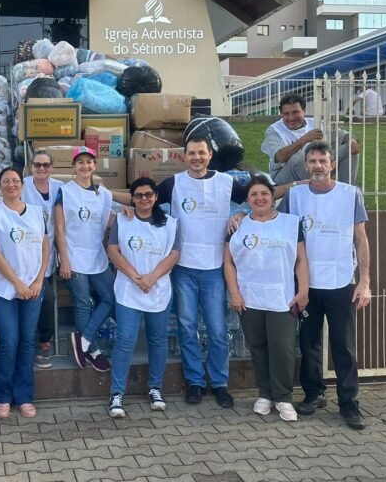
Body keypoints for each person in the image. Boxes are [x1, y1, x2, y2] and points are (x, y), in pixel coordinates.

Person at [278, 141, 372, 430]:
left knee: (343, 345)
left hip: (341, 280)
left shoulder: (349, 194)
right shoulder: (295, 196)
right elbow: (271, 219)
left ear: (332, 165)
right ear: (305, 165)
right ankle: (313, 393)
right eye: (312, 161)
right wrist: (239, 217)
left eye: (323, 161)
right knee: (309, 342)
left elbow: (361, 238)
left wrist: (365, 281)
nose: (318, 165)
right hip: (307, 284)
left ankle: (349, 403)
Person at [152, 137, 247, 407]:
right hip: (183, 268)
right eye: (191, 153)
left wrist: (241, 215)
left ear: (210, 154)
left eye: (201, 153)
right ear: (185, 157)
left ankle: (219, 383)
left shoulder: (226, 182)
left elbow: (259, 197)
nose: (196, 157)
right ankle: (194, 381)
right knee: (187, 326)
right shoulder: (175, 183)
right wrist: (107, 195)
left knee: (217, 330)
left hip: (215, 268)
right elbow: (145, 198)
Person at [224, 175, 309, 422]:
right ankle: (265, 394)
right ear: (248, 200)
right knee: (258, 347)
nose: (259, 198)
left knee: (282, 349)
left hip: (282, 297)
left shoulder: (291, 223)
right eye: (254, 195)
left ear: (273, 197)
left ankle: (283, 398)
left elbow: (301, 260)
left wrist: (303, 291)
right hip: (249, 298)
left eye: (264, 194)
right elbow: (227, 262)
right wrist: (235, 293)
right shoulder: (238, 225)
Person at [106, 178, 180, 418]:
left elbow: (174, 254)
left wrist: (152, 277)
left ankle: (155, 388)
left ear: (156, 196)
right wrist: (135, 276)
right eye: (138, 195)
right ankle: (117, 393)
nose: (144, 199)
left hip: (157, 289)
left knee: (157, 340)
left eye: (148, 194)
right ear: (132, 198)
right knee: (125, 341)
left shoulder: (170, 224)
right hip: (129, 289)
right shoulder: (122, 219)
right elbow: (113, 249)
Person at [0, 168, 50, 418]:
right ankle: (2, 396)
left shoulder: (35, 212)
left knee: (26, 341)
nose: (11, 184)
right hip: (3, 287)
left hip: (34, 287)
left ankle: (24, 396)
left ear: (22, 185)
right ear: (0, 186)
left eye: (15, 181)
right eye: (6, 181)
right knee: (9, 341)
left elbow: (45, 246)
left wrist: (39, 279)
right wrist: (17, 283)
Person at [55, 146, 117, 373]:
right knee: (82, 303)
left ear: (95, 165)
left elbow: (108, 219)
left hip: (97, 257)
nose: (85, 166)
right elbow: (59, 228)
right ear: (74, 166)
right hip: (73, 256)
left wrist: (128, 214)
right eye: (80, 162)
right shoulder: (66, 191)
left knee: (111, 298)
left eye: (89, 162)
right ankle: (94, 351)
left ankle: (83, 340)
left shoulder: (104, 194)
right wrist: (64, 259)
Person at [261, 93, 360, 185]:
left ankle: (346, 191)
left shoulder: (316, 123)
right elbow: (280, 157)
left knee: (349, 148)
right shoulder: (274, 130)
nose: (291, 118)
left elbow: (344, 135)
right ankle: (318, 192)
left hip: (316, 165)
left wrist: (352, 141)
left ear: (304, 111)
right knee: (299, 158)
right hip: (283, 174)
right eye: (286, 114)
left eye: (295, 112)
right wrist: (305, 139)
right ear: (281, 114)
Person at [22, 150, 63, 369]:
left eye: (46, 165)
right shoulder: (22, 186)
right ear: (30, 167)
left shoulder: (60, 188)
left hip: (48, 253)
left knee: (46, 299)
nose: (41, 169)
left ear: (52, 167)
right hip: (24, 251)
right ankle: (25, 343)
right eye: (37, 165)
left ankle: (44, 342)